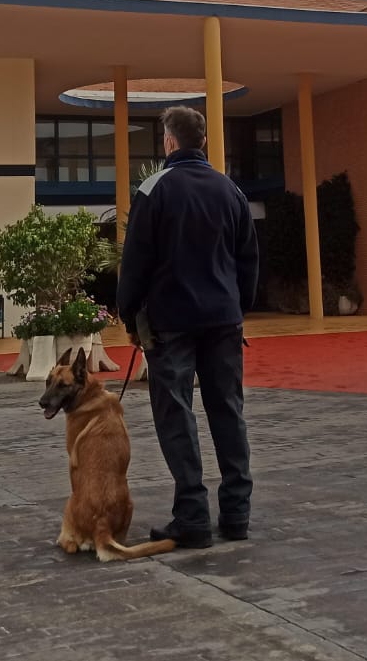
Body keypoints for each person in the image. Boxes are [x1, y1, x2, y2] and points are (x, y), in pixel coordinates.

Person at [117, 105, 259, 548]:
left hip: (171, 323)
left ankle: (193, 517)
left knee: (176, 415)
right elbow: (248, 259)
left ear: (170, 142)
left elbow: (134, 263)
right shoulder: (230, 190)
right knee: (228, 412)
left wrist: (129, 316)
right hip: (223, 320)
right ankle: (236, 515)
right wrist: (239, 308)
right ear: (203, 143)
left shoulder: (154, 190)